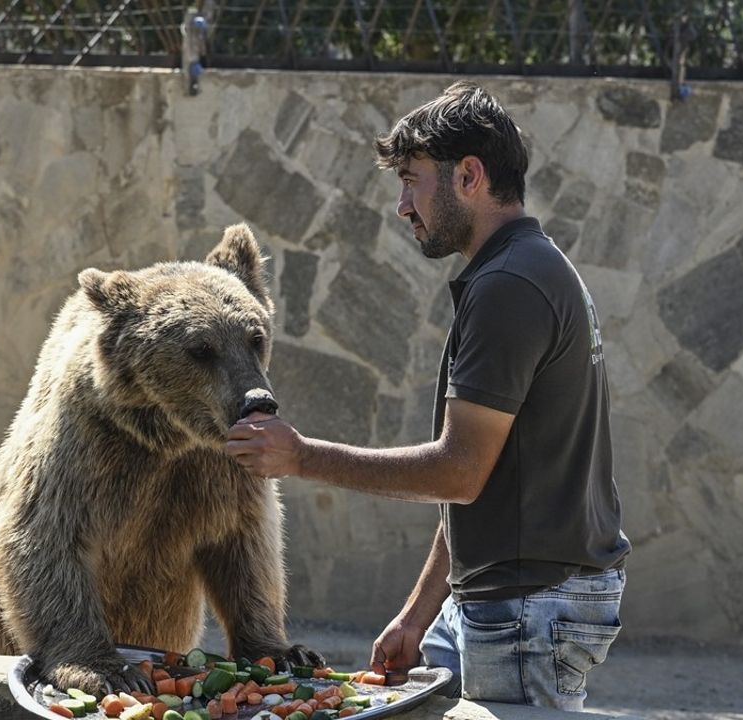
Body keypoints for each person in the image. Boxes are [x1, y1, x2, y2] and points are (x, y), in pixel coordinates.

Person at [224, 82, 631, 711]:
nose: (401, 206)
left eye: (412, 180)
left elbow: (460, 472)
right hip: (508, 595)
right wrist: (419, 616)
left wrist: (301, 457)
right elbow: (487, 479)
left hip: (528, 606)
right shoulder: (527, 267)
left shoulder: (509, 286)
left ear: (468, 175)